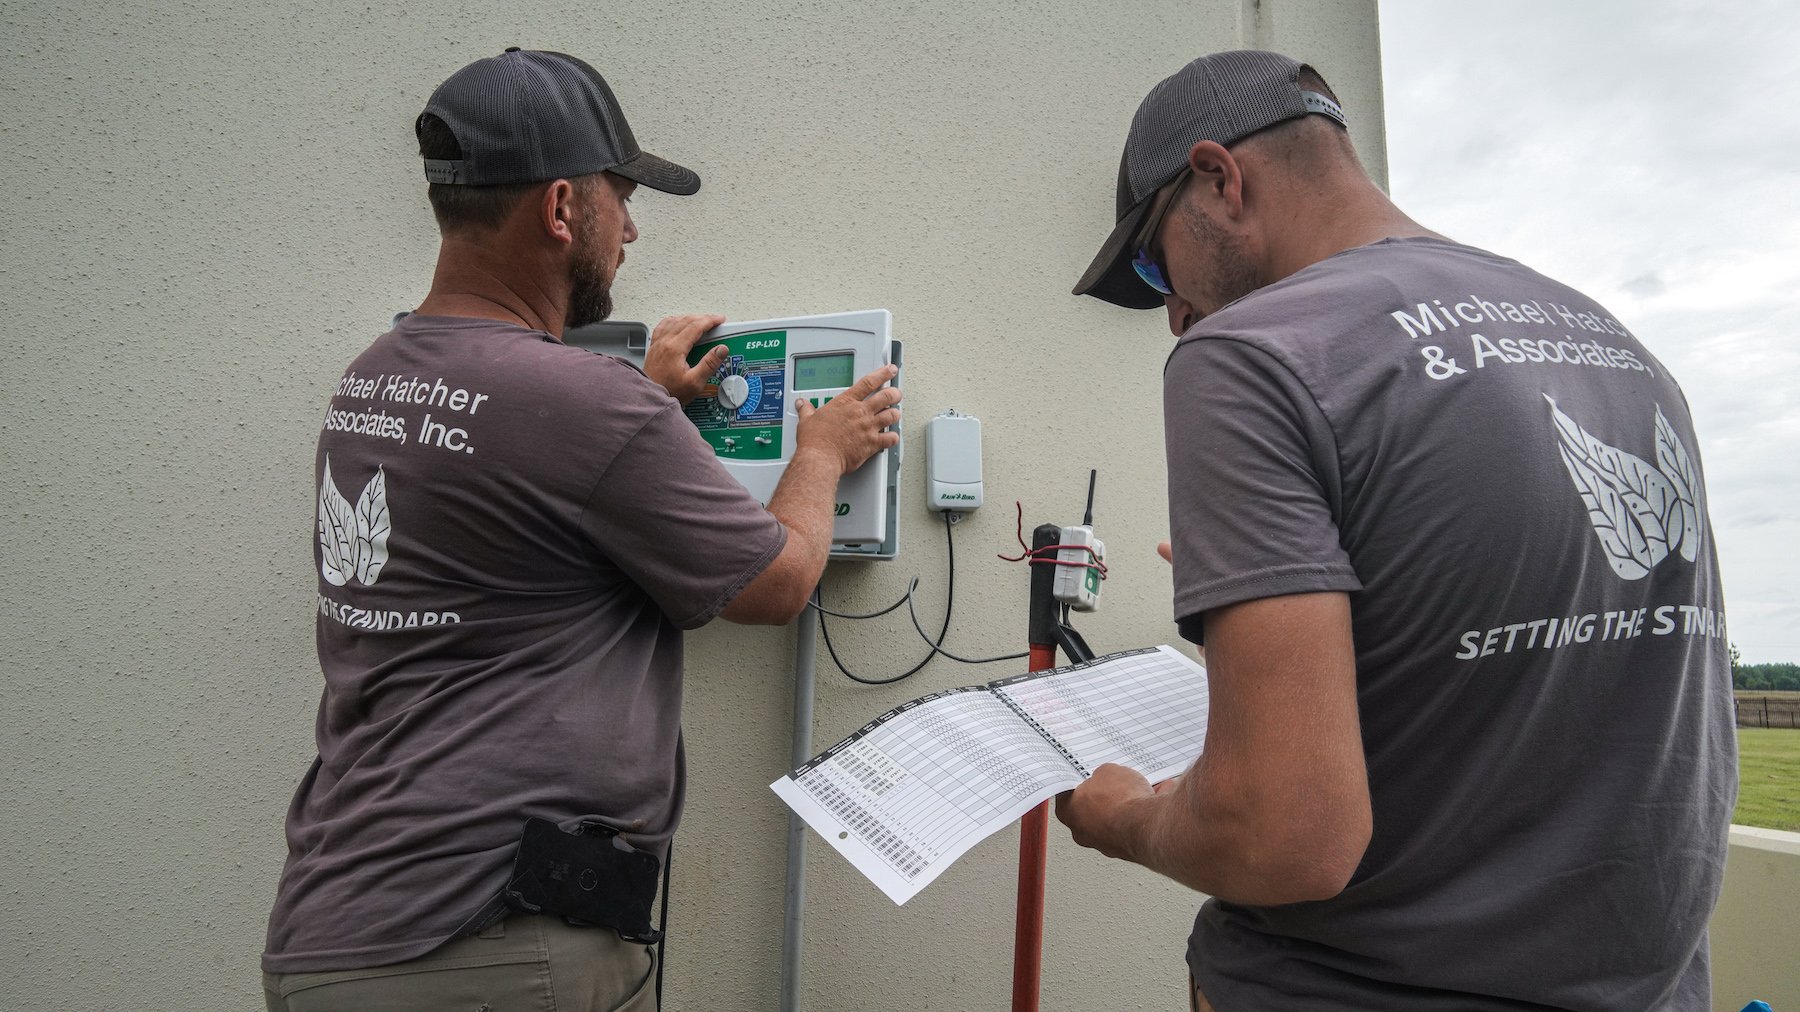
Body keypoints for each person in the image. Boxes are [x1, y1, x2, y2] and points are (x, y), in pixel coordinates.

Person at [1057, 50, 1734, 1011]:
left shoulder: (1250, 354)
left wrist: (1125, 816)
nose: (1173, 313)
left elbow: (1282, 834)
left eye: (1151, 260)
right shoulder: (1610, 338)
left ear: (1219, 178)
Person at [261, 48, 900, 1011]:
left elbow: (506, 508)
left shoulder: (376, 377)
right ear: (562, 210)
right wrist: (821, 453)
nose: (632, 229)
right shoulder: (582, 406)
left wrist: (639, 408)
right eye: (620, 198)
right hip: (490, 951)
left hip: (338, 934)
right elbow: (776, 584)